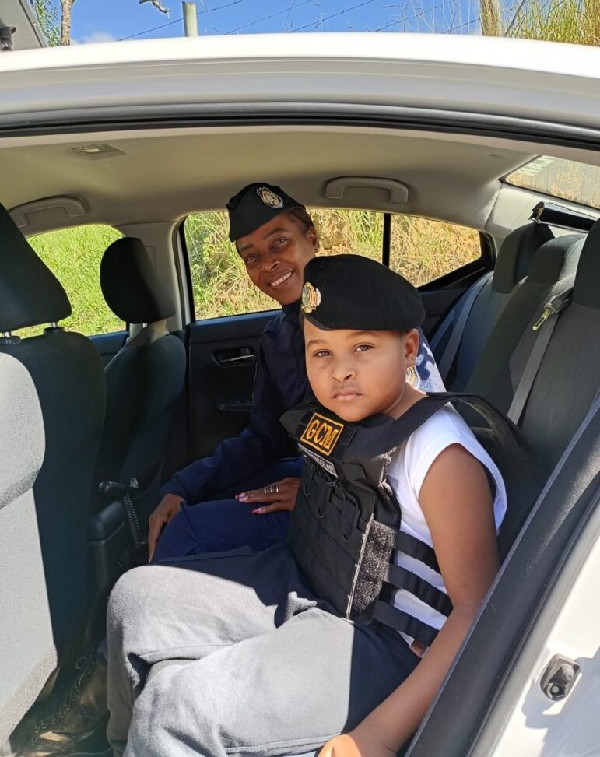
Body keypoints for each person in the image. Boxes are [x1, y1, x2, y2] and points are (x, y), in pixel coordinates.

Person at [107, 253, 506, 757]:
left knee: (173, 710)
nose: (340, 371)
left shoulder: (441, 458)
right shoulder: (350, 417)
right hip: (315, 581)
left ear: (408, 349)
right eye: (321, 352)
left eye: (363, 347)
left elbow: (479, 611)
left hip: (387, 641)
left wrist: (379, 736)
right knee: (134, 598)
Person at [150, 182, 444, 561]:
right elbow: (264, 436)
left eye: (279, 243)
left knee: (186, 533)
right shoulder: (277, 336)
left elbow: (415, 437)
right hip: (316, 472)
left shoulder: (373, 313)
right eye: (251, 256)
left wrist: (320, 492)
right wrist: (184, 486)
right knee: (192, 506)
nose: (267, 263)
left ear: (312, 237)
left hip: (366, 506)